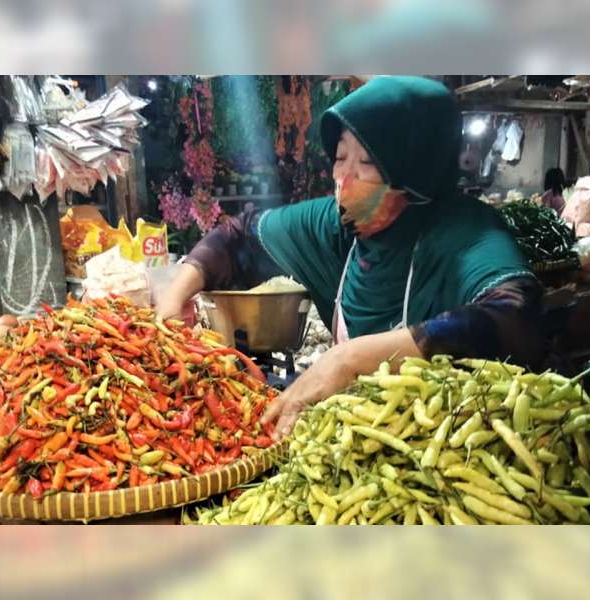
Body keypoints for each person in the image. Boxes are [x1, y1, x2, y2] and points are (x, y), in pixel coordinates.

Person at [155, 76, 543, 438]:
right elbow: (238, 237)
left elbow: (517, 315)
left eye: (368, 163)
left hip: (454, 443)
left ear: (417, 169)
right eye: (341, 158)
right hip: (359, 442)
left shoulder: (465, 231)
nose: (345, 180)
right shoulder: (338, 226)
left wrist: (352, 359)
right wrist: (175, 297)